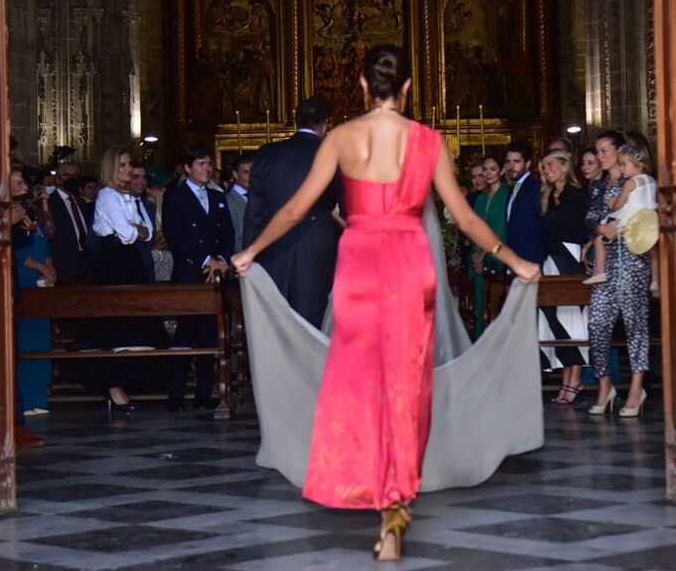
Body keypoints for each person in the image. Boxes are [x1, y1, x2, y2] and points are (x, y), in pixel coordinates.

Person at [231, 44, 539, 562]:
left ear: (361, 82)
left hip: (358, 268)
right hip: (408, 266)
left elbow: (293, 209)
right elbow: (464, 218)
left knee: (358, 381)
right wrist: (516, 261)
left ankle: (367, 482)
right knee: (406, 384)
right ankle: (395, 506)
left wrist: (252, 250)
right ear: (410, 87)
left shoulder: (342, 138)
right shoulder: (428, 141)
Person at [243, 95, 343, 327]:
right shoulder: (333, 154)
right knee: (313, 325)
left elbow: (254, 213)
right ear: (325, 125)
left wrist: (249, 255)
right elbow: (343, 208)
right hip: (318, 252)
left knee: (276, 326)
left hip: (273, 251)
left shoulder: (267, 153)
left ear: (297, 121)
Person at [584, 130, 653, 418]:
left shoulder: (634, 179)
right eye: (597, 151)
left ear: (619, 151)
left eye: (604, 151)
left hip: (633, 258)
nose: (600, 156)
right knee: (598, 323)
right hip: (606, 261)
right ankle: (605, 386)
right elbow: (589, 219)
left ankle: (637, 388)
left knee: (635, 324)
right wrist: (600, 229)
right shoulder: (599, 185)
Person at [162, 144, 235, 412]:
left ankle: (204, 391)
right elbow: (176, 236)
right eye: (201, 165)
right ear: (188, 168)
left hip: (213, 275)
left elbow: (228, 233)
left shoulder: (217, 197)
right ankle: (176, 393)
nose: (207, 170)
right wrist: (206, 260)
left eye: (209, 165)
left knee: (208, 333)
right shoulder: (175, 197)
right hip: (190, 273)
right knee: (184, 333)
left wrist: (222, 260)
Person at [92, 146, 152, 412]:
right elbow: (127, 233)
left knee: (132, 322)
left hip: (130, 262)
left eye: (129, 165)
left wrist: (136, 230)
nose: (128, 170)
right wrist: (134, 230)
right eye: (123, 166)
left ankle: (124, 382)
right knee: (115, 325)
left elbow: (147, 231)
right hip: (115, 262)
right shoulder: (107, 196)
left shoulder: (127, 196)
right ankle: (112, 385)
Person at [536, 150, 590, 404]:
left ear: (564, 165)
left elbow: (569, 225)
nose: (547, 170)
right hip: (551, 258)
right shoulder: (547, 196)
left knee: (571, 319)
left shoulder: (576, 195)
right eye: (543, 166)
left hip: (569, 256)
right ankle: (565, 376)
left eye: (550, 164)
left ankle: (575, 378)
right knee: (553, 319)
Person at [12, 170, 55, 417]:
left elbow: (44, 241)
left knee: (41, 336)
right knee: (25, 338)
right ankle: (26, 399)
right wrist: (40, 267)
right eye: (18, 182)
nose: (25, 186)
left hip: (41, 279)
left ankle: (40, 395)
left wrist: (49, 266)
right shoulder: (9, 215)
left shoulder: (31, 211)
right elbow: (17, 251)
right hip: (25, 277)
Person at [583, 142, 657, 285]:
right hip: (649, 218)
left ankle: (600, 271)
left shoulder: (630, 183)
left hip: (630, 218)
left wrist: (612, 203)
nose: (621, 168)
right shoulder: (652, 180)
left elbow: (619, 205)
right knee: (654, 250)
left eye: (624, 165)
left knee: (599, 239)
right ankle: (655, 281)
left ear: (639, 164)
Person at [468, 154, 508, 338]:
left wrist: (483, 254)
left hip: (497, 256)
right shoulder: (481, 197)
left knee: (496, 305)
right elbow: (473, 226)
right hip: (477, 255)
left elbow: (500, 227)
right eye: (485, 169)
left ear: (502, 170)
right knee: (480, 304)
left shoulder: (506, 194)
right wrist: (476, 254)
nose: (488, 173)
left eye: (493, 169)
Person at [504, 139, 545, 264]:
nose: (511, 166)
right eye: (508, 162)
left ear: (527, 164)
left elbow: (543, 226)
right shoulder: (512, 190)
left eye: (516, 161)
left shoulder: (535, 188)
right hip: (515, 260)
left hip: (532, 260)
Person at [226, 153, 253, 253]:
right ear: (235, 174)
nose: (251, 176)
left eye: (253, 171)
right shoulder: (229, 201)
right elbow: (234, 237)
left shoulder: (258, 197)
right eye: (246, 172)